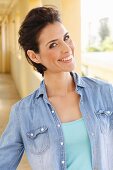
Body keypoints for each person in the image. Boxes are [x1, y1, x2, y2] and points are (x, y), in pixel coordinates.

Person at [0, 6, 113, 170]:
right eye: (53, 45)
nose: (67, 48)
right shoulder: (23, 113)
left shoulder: (105, 93)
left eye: (66, 38)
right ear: (34, 56)